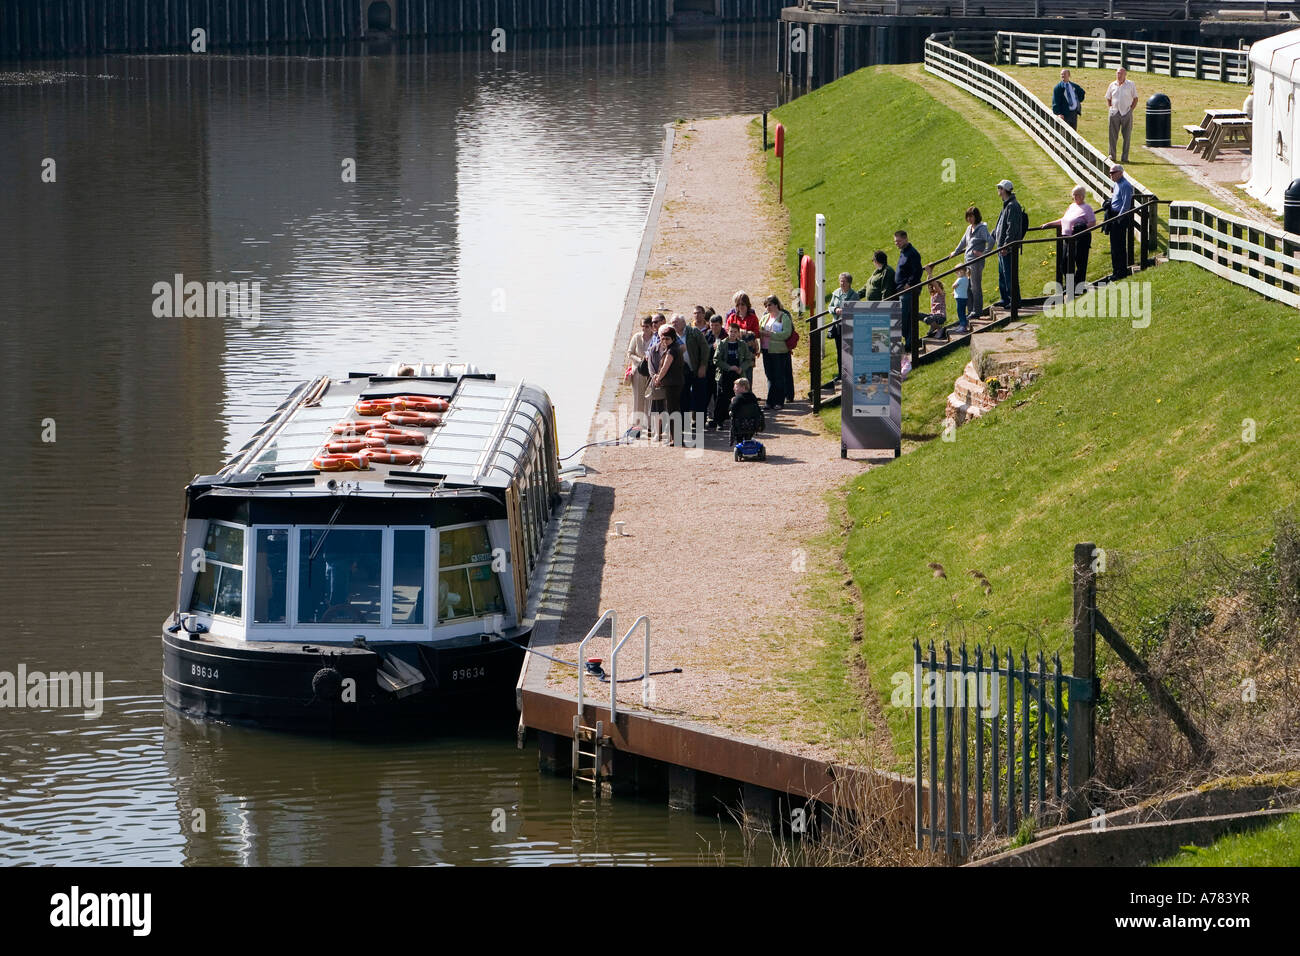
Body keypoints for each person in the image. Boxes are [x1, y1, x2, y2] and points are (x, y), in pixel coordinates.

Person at [1042, 184, 1097, 294]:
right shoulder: (1072, 206)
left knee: (1080, 262)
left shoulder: (1087, 208)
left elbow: (1093, 223)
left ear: (1082, 196)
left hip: (1080, 239)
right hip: (1067, 239)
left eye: (1077, 195)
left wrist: (1082, 227)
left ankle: (1078, 286)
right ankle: (1071, 286)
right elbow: (1063, 220)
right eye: (1073, 195)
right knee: (1064, 263)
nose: (1074, 197)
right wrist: (1049, 224)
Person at [673, 313, 710, 440]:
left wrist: (703, 366)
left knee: (700, 397)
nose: (674, 325)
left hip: (697, 369)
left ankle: (699, 425)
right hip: (683, 372)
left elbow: (705, 349)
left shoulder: (694, 332)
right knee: (683, 397)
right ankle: (684, 424)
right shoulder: (672, 336)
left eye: (676, 322)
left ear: (683, 323)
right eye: (673, 323)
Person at [951, 205, 992, 320]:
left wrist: (984, 253)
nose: (969, 219)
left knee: (975, 287)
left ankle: (977, 311)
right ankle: (971, 310)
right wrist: (955, 252)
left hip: (976, 262)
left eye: (971, 216)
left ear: (976, 216)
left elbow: (991, 241)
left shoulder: (982, 229)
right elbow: (963, 241)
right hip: (967, 262)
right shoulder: (969, 228)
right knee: (968, 287)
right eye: (967, 216)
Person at [647, 322, 684, 445]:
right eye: (662, 338)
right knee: (673, 410)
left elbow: (665, 367)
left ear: (673, 338)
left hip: (672, 384)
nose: (664, 341)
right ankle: (676, 438)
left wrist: (658, 379)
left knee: (673, 411)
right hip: (673, 383)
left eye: (667, 338)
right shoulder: (672, 349)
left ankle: (676, 439)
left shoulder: (672, 350)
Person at [712, 321, 753, 428]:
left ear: (739, 333)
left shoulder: (742, 344)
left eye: (735, 332)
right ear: (727, 331)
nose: (733, 334)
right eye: (731, 331)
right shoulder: (722, 343)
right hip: (724, 375)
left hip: (738, 375)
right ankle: (719, 421)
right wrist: (729, 367)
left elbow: (748, 359)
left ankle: (737, 420)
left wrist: (741, 368)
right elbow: (716, 360)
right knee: (722, 398)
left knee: (737, 398)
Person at [992, 180, 1024, 311]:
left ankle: (1014, 300)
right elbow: (1000, 226)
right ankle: (1005, 298)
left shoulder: (1012, 206)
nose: (998, 190)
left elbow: (1011, 228)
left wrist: (1006, 245)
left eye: (999, 188)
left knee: (1009, 274)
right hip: (1002, 248)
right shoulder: (1007, 205)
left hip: (1008, 249)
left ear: (1004, 190)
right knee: (1003, 274)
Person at [1101, 163, 1134, 283]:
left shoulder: (1125, 185)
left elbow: (1126, 205)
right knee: (1114, 247)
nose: (1111, 175)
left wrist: (1119, 219)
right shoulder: (1117, 184)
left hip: (1120, 218)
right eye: (1110, 173)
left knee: (1119, 246)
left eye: (1113, 173)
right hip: (1114, 216)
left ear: (1120, 173)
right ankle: (1116, 271)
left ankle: (1121, 272)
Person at [760, 294, 794, 410]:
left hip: (779, 351)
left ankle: (779, 401)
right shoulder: (765, 317)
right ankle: (770, 401)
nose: (767, 308)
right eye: (766, 305)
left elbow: (787, 333)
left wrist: (771, 335)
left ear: (776, 305)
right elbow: (759, 330)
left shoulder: (783, 317)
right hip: (766, 350)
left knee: (779, 376)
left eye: (769, 305)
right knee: (770, 376)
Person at [625, 315, 656, 431]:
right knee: (638, 398)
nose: (644, 329)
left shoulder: (655, 338)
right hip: (637, 371)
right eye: (642, 326)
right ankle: (637, 424)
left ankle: (648, 424)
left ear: (651, 327)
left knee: (649, 398)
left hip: (650, 372)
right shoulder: (637, 337)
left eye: (646, 326)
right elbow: (630, 353)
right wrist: (640, 360)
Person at [894, 230, 922, 354]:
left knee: (907, 317)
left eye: (899, 241)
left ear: (905, 239)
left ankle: (911, 343)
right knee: (904, 317)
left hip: (909, 291)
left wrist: (909, 284)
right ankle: (909, 342)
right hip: (901, 291)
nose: (897, 243)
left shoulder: (912, 253)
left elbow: (917, 271)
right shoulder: (903, 252)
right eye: (895, 241)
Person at [828, 272, 859, 377]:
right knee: (839, 351)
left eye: (844, 281)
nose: (841, 283)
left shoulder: (854, 295)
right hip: (838, 326)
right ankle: (841, 374)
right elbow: (830, 307)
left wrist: (845, 310)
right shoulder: (836, 293)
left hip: (849, 326)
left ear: (849, 283)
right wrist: (835, 309)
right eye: (840, 281)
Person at [1105, 67, 1137, 164]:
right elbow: (1108, 97)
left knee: (1127, 136)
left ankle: (1125, 157)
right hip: (1115, 112)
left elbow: (1135, 98)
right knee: (1112, 135)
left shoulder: (1130, 84)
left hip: (1126, 112)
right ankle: (1112, 155)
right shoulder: (1112, 85)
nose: (1119, 75)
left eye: (1121, 74)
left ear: (1125, 74)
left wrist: (1131, 110)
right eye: (1118, 73)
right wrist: (1111, 108)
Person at [704, 313, 724, 427]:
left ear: (721, 325)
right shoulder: (707, 335)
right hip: (709, 368)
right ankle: (708, 417)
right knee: (707, 394)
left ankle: (718, 420)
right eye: (712, 325)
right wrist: (713, 347)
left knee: (718, 395)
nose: (714, 328)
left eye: (716, 325)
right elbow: (705, 349)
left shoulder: (725, 335)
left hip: (720, 369)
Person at [921, 267, 948, 339]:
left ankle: (939, 329)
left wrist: (930, 272)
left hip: (940, 316)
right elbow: (929, 283)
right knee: (918, 315)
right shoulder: (932, 295)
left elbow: (933, 282)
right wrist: (929, 272)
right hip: (933, 315)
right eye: (933, 286)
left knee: (927, 319)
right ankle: (933, 326)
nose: (934, 287)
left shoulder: (941, 294)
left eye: (936, 286)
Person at [951, 265, 970, 334]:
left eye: (957, 272)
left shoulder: (960, 279)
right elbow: (961, 287)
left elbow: (953, 286)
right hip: (963, 297)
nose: (956, 274)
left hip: (960, 298)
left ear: (961, 271)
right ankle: (962, 324)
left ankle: (963, 325)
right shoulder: (966, 278)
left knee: (960, 312)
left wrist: (954, 289)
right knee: (962, 311)